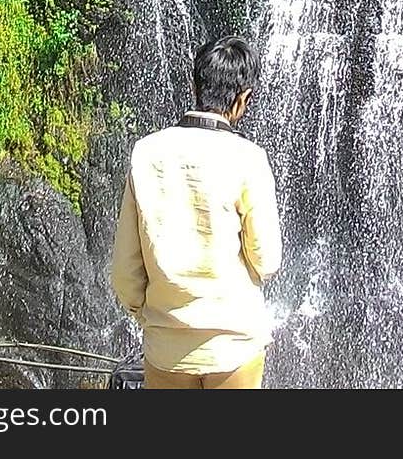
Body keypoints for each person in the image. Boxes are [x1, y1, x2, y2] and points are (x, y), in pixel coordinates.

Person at [110, 34, 282, 390]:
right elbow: (266, 260)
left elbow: (125, 271)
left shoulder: (146, 153)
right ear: (242, 100)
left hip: (167, 345)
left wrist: (152, 317)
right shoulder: (249, 159)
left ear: (195, 85)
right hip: (235, 341)